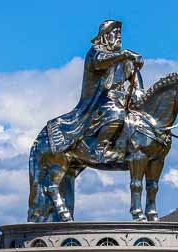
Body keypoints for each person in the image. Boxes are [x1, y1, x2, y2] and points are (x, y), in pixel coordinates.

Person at [43, 20, 144, 163]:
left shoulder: (123, 59)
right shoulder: (95, 53)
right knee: (117, 114)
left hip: (123, 101)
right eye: (115, 33)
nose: (119, 36)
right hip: (99, 102)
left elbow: (133, 73)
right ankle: (100, 149)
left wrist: (139, 92)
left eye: (120, 33)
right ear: (105, 36)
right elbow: (100, 62)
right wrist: (125, 54)